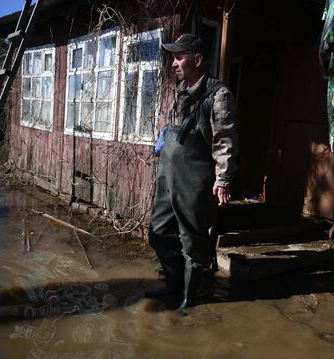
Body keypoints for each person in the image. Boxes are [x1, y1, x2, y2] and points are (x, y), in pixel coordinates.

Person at [146, 33, 239, 311]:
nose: (173, 63)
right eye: (173, 58)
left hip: (195, 178)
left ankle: (188, 297)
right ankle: (174, 284)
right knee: (158, 231)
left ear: (197, 60)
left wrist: (222, 179)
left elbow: (225, 140)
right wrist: (163, 139)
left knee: (192, 240)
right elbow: (175, 128)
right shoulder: (181, 90)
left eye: (179, 57)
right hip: (169, 175)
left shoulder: (218, 95)